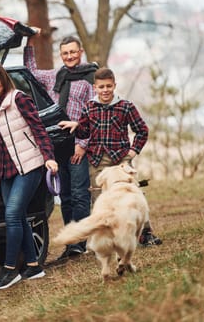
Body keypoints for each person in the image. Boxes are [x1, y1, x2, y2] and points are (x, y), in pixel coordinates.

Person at [0, 62, 59, 290]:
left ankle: (10, 269)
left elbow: (38, 128)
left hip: (29, 164)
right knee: (18, 216)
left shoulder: (18, 99)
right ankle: (33, 266)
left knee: (11, 214)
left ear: (3, 79)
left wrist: (48, 156)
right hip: (6, 169)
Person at [58, 67, 162, 246]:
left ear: (114, 85)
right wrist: (76, 125)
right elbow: (84, 133)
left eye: (108, 86)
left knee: (132, 195)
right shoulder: (90, 107)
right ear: (95, 87)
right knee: (99, 199)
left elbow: (142, 131)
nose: (105, 90)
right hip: (97, 160)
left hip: (121, 159)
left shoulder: (125, 107)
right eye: (101, 87)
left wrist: (132, 152)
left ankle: (145, 233)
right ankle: (109, 237)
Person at [24, 30, 98, 258]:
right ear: (61, 54)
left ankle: (81, 241)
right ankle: (71, 242)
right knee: (64, 195)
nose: (69, 56)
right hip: (57, 144)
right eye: (65, 53)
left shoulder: (89, 79)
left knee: (79, 194)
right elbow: (31, 71)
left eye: (73, 52)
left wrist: (83, 144)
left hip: (77, 143)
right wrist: (29, 41)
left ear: (80, 52)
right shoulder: (55, 75)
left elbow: (93, 114)